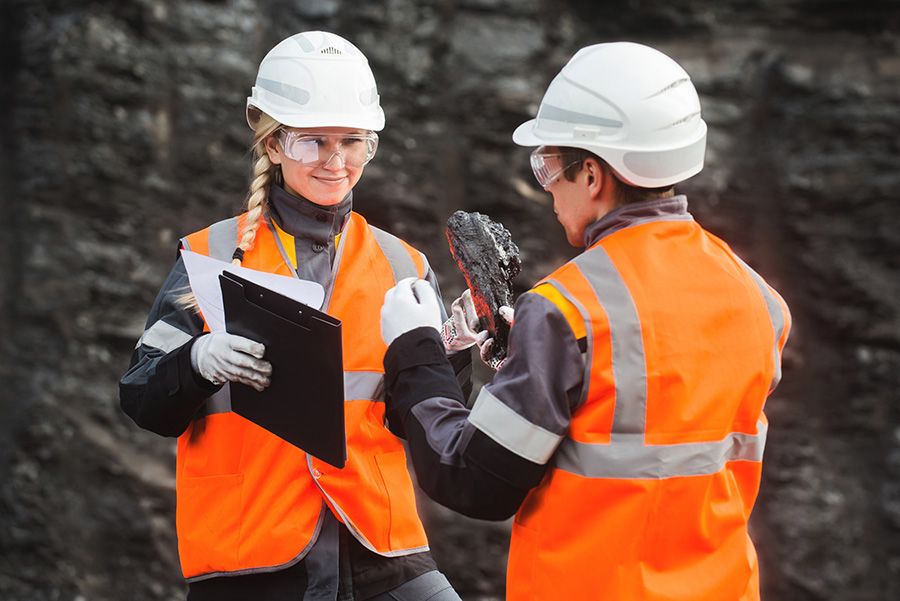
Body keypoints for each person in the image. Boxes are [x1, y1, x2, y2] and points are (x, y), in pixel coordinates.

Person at [379, 41, 792, 601]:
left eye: (547, 167)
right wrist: (528, 366)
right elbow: (653, 415)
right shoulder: (759, 300)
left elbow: (473, 481)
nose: (547, 189)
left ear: (593, 175)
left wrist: (416, 351)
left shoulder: (565, 310)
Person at [120, 31, 469, 601]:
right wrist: (199, 360)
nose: (337, 162)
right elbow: (141, 397)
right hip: (253, 554)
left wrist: (447, 351)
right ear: (272, 143)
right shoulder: (209, 256)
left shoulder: (403, 263)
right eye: (314, 142)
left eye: (353, 142)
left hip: (380, 546)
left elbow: (425, 421)